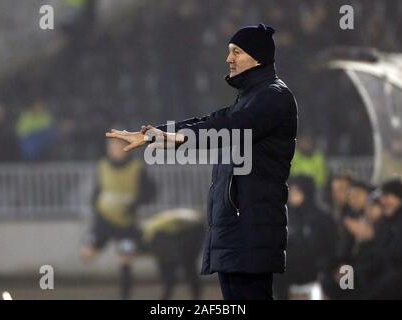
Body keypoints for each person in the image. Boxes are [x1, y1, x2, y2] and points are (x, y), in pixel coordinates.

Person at [105, 23, 298, 300]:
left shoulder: (274, 97)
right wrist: (154, 135)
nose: (228, 58)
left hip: (252, 229)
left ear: (258, 57)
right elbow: (209, 122)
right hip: (237, 228)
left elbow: (229, 129)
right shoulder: (249, 98)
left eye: (237, 51)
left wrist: (171, 138)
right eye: (229, 51)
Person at [80, 137, 154, 299]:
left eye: (119, 146)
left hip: (126, 222)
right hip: (103, 220)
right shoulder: (102, 166)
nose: (115, 150)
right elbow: (97, 190)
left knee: (125, 259)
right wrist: (95, 207)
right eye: (112, 147)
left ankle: (125, 296)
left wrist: (134, 204)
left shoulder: (137, 168)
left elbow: (150, 192)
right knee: (87, 255)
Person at [141, 208, 206, 300]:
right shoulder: (154, 227)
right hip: (189, 230)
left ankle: (169, 294)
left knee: (179, 270)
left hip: (187, 231)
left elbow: (156, 247)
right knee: (189, 269)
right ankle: (195, 295)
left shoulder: (151, 231)